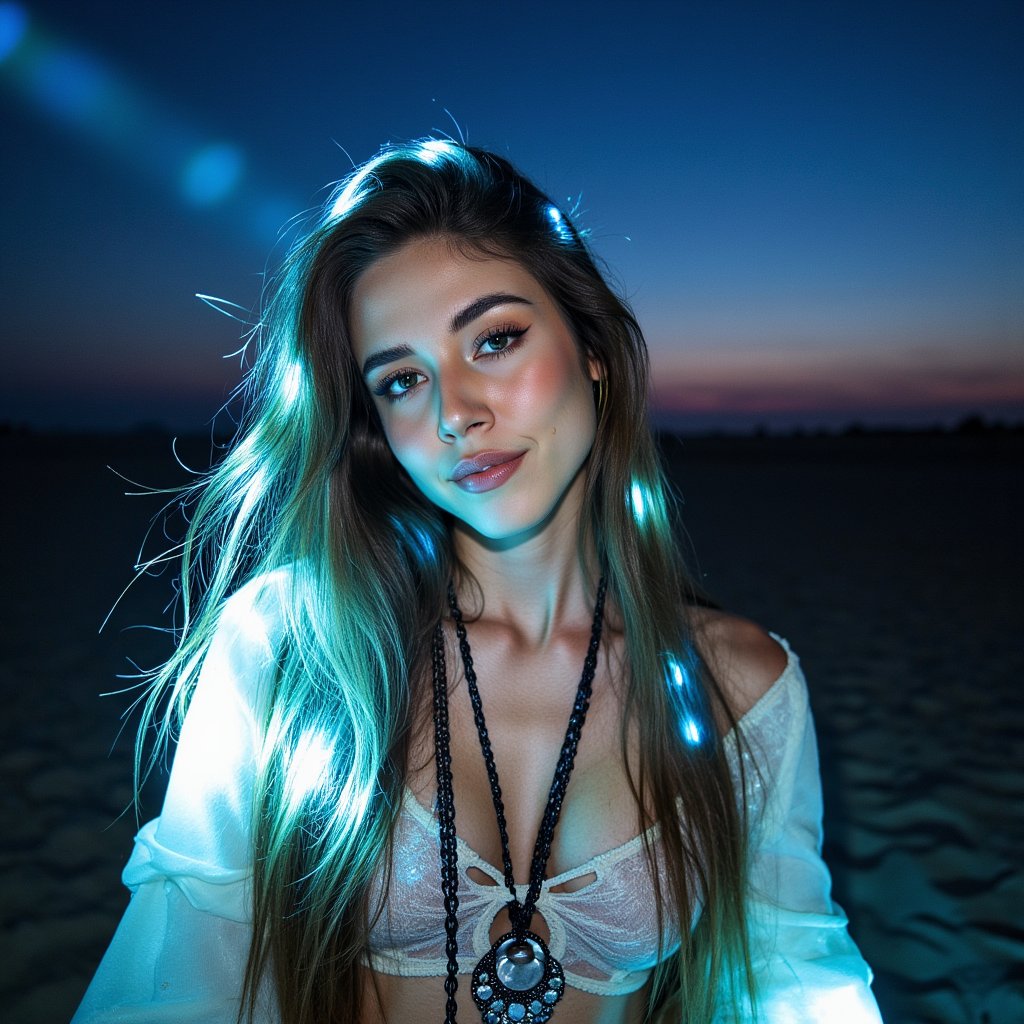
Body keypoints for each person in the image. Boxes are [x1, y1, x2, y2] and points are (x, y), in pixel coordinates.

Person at [73, 139, 883, 1024]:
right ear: (376, 423)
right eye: (403, 379)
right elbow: (184, 969)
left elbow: (796, 975)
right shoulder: (298, 643)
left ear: (594, 347)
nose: (457, 412)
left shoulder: (735, 690)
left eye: (494, 340)